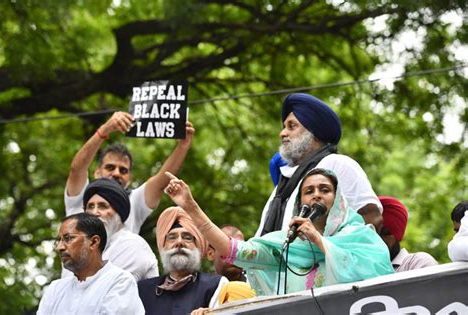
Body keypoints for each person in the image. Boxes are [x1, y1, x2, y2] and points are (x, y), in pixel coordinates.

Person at [164, 168, 393, 296]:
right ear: (300, 202)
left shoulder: (360, 237)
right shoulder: (286, 244)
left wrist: (319, 240)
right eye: (309, 191)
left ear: (338, 200)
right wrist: (191, 207)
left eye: (325, 190)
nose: (316, 195)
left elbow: (378, 274)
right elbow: (233, 250)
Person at [256, 93, 382, 237]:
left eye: (292, 126)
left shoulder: (338, 164)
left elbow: (372, 219)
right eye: (284, 127)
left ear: (313, 133)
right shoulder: (282, 186)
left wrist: (330, 253)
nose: (282, 133)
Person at [65, 111, 194, 234]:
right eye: (110, 167)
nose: (116, 173)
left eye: (123, 170)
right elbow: (77, 170)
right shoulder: (80, 196)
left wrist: (183, 146)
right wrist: (104, 130)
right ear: (97, 173)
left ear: (129, 178)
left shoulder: (134, 201)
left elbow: (162, 180)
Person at [37, 213, 144, 314]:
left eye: (68, 238)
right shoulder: (55, 289)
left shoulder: (120, 282)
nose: (59, 247)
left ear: (93, 242)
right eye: (59, 240)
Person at [63, 178, 158, 281]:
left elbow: (103, 290)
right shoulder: (84, 250)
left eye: (102, 206)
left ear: (118, 214)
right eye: (90, 207)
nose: (94, 212)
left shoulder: (131, 244)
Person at [138, 207, 228, 315]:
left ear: (198, 247)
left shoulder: (216, 285)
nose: (179, 242)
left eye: (187, 237)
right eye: (172, 238)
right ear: (164, 247)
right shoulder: (143, 289)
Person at [378, 196, 438, 272]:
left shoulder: (417, 262)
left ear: (395, 235)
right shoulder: (362, 268)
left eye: (384, 233)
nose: (376, 239)